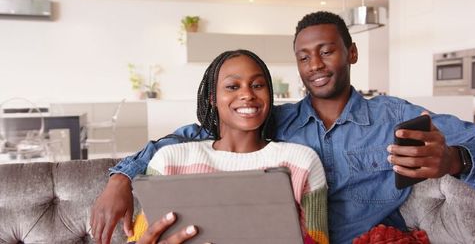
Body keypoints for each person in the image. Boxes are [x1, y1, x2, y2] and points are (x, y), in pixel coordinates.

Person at [91, 11, 475, 243]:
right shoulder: (275, 120)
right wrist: (121, 178)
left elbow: (473, 141)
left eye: (327, 51)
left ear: (352, 53)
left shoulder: (392, 116)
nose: (315, 64)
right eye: (304, 56)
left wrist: (455, 159)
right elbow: (193, 136)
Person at [96, 49, 329, 243]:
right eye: (232, 87)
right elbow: (141, 237)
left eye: (257, 85)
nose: (247, 94)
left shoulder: (302, 162)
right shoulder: (170, 161)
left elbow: (318, 240)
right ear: (212, 98)